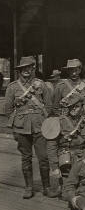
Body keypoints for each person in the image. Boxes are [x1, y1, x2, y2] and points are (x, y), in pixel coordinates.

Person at [4, 56, 52, 198]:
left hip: (39, 126)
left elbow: (49, 105)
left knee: (43, 158)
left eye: (28, 67)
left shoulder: (41, 85)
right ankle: (28, 187)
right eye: (22, 68)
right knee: (26, 158)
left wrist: (43, 119)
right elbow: (8, 109)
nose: (26, 70)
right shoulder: (13, 87)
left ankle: (47, 187)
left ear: (33, 69)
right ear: (19, 70)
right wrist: (15, 125)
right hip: (21, 128)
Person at [46, 94, 85, 199]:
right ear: (67, 107)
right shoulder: (59, 122)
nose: (74, 109)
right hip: (66, 157)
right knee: (66, 196)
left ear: (81, 107)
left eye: (77, 106)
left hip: (81, 155)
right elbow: (51, 146)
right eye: (71, 107)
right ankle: (64, 186)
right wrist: (54, 167)